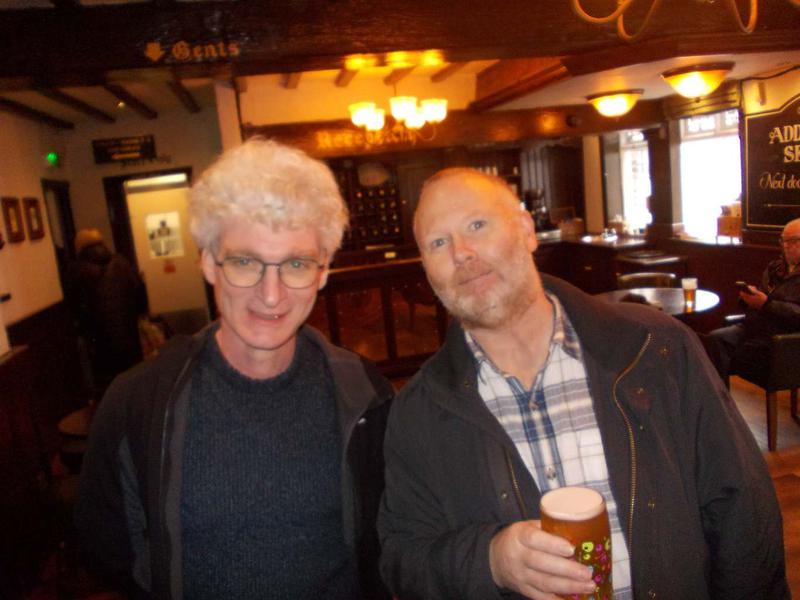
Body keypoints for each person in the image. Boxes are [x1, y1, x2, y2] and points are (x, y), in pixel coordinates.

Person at [378, 168, 788, 600]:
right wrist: (490, 560)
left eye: (477, 225)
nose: (461, 252)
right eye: (438, 243)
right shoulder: (417, 412)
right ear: (426, 269)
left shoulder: (659, 349)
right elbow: (404, 558)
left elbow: (743, 512)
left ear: (526, 230)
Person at [74, 139, 393, 600]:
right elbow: (109, 549)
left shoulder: (364, 391)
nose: (271, 294)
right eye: (245, 262)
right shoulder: (137, 401)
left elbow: (389, 528)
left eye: (296, 263)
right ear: (208, 262)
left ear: (323, 271)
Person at [706, 217, 800, 381]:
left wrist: (766, 304)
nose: (786, 245)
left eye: (792, 240)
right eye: (783, 240)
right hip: (755, 327)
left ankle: (716, 393)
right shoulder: (775, 268)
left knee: (723, 354)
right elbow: (762, 298)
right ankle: (718, 394)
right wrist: (748, 299)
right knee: (715, 339)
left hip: (782, 339)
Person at [65, 227, 147, 397]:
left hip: (100, 341)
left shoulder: (76, 271)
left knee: (109, 388)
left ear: (79, 246)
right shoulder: (121, 262)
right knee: (135, 382)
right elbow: (139, 294)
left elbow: (76, 308)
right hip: (128, 334)